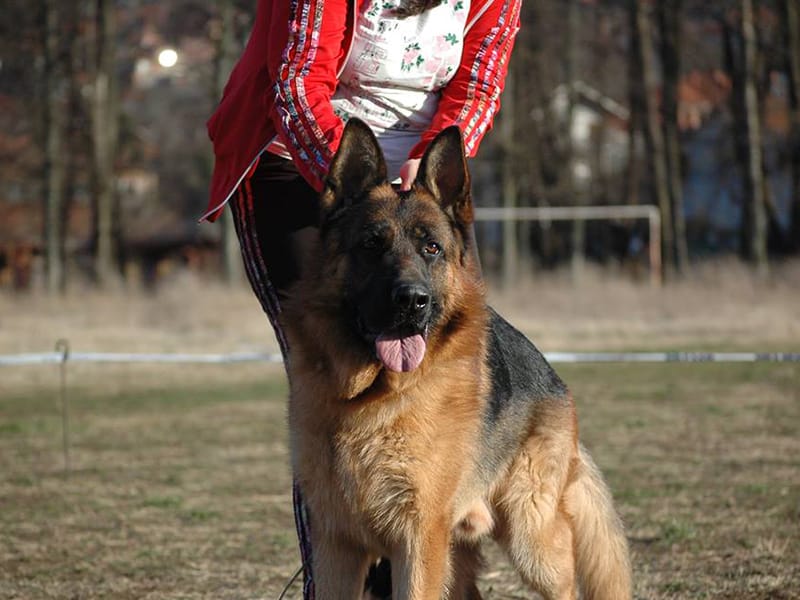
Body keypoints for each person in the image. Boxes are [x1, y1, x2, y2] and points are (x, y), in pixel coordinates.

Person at [205, 0, 522, 596]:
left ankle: (445, 583)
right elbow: (297, 85)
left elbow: (479, 83)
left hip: (422, 187)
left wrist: (425, 177)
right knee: (328, 384)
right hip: (311, 169)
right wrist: (365, 193)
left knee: (451, 385)